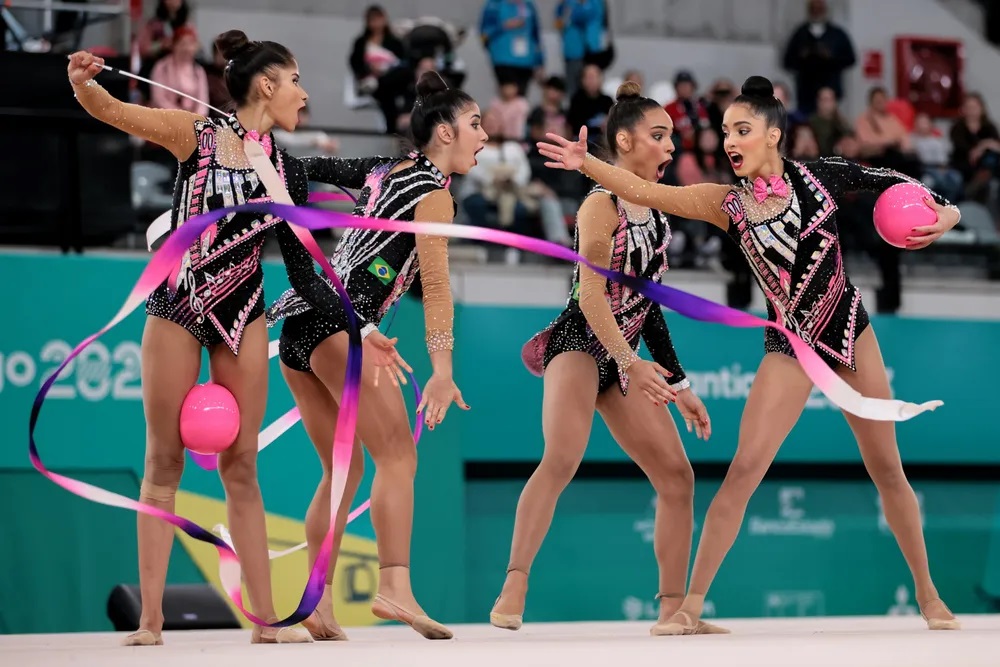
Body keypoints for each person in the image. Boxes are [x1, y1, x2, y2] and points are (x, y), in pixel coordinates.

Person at [536, 75, 963, 634]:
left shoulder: (822, 175)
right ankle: (689, 607)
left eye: (741, 129)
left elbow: (901, 182)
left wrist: (947, 216)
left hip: (849, 332)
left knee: (887, 468)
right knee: (742, 472)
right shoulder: (726, 204)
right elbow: (646, 193)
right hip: (789, 344)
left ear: (773, 133)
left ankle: (929, 596)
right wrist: (587, 162)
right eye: (724, 132)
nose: (729, 141)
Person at [66, 30, 404, 646]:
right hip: (178, 304)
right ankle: (150, 620)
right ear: (267, 85)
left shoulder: (282, 169)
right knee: (163, 460)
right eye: (296, 79)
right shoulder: (192, 134)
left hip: (243, 312)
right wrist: (84, 82)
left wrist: (363, 325)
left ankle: (266, 622)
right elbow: (114, 111)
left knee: (241, 464)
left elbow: (305, 269)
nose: (304, 93)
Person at [489, 81, 726, 636]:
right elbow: (591, 297)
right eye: (659, 136)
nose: (671, 148)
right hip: (579, 345)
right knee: (562, 458)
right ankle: (515, 583)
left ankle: (674, 611)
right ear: (624, 141)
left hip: (626, 358)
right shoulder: (601, 204)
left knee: (677, 477)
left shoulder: (660, 216)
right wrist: (629, 361)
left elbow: (653, 307)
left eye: (672, 137)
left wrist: (680, 380)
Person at [266, 70, 488, 641]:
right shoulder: (436, 195)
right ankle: (394, 587)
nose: (484, 136)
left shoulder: (381, 169)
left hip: (299, 318)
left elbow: (300, 168)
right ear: (443, 132)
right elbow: (435, 286)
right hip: (342, 323)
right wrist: (442, 370)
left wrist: (258, 151)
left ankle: (316, 603)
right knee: (396, 458)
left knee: (344, 469)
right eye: (475, 124)